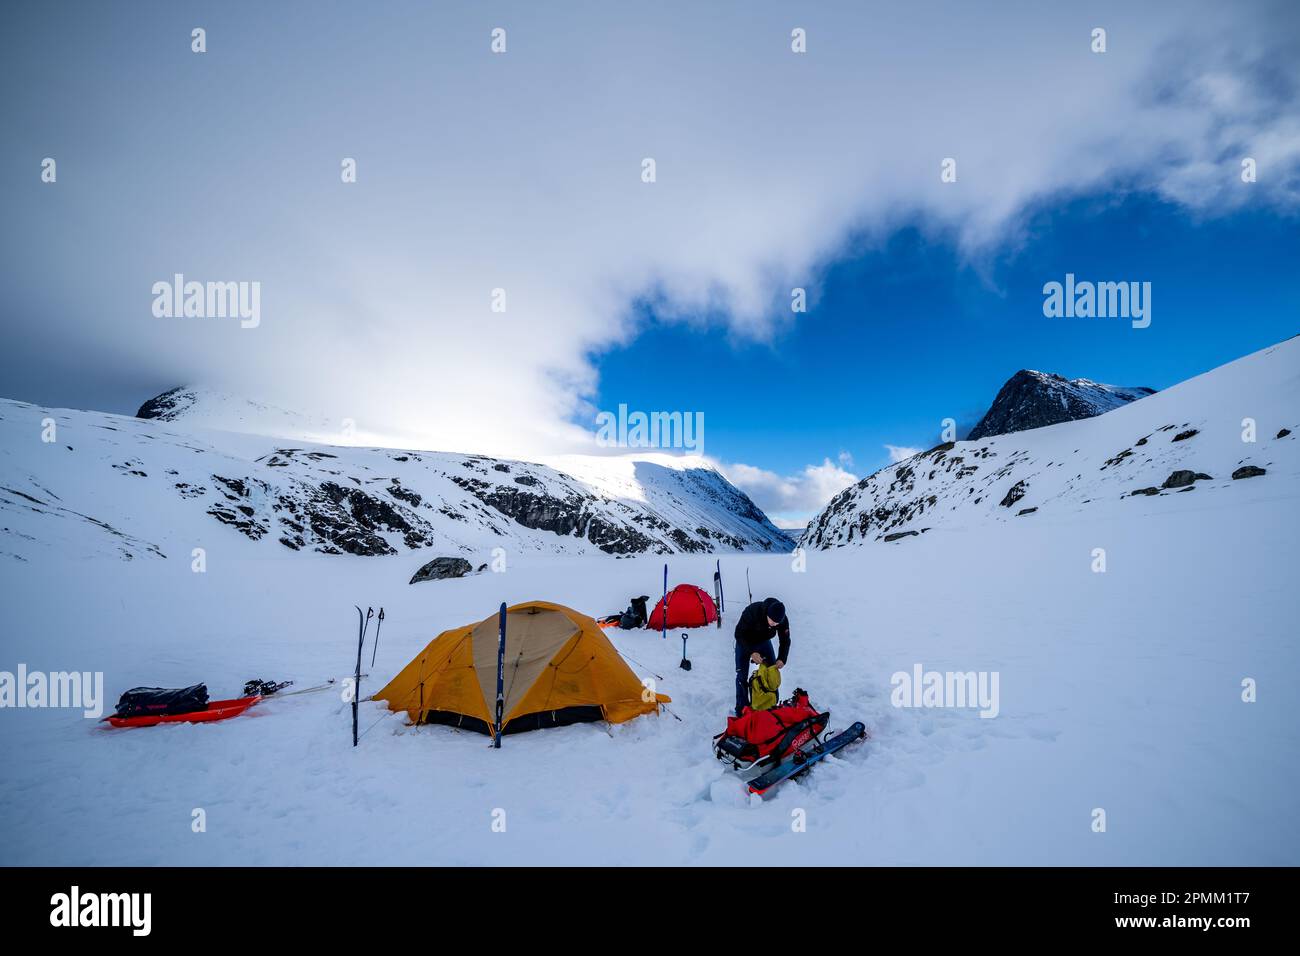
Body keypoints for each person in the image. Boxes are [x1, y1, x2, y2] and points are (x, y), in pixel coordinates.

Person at [734, 597, 790, 716]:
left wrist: (782, 658)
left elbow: (785, 640)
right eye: (772, 621)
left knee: (771, 672)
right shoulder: (752, 611)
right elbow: (738, 634)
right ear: (767, 614)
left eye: (777, 623)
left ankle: (771, 704)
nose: (774, 624)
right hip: (745, 642)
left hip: (763, 641)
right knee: (741, 676)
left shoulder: (782, 620)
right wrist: (751, 652)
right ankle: (741, 709)